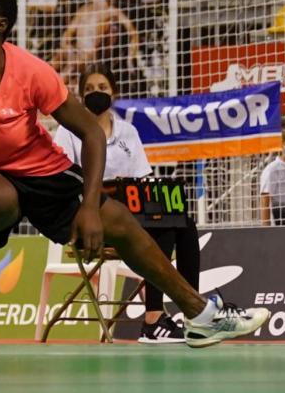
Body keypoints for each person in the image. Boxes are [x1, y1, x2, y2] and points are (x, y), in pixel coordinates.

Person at [0, 0, 269, 350]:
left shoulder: (31, 72)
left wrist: (89, 207)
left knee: (121, 222)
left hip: (41, 173)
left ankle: (199, 316)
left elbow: (91, 133)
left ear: (0, 25)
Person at [53, 63, 201, 344]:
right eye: (89, 90)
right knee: (159, 227)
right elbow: (63, 178)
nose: (96, 94)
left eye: (102, 88)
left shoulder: (128, 132)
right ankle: (153, 320)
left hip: (132, 214)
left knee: (182, 222)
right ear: (80, 96)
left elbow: (144, 179)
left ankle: (193, 315)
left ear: (114, 93)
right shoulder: (68, 131)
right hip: (92, 219)